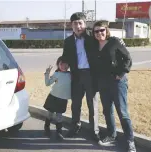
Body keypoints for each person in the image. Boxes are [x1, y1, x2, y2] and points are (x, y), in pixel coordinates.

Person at [92, 20, 136, 152]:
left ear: (106, 30)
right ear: (93, 33)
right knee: (107, 110)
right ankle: (112, 135)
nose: (99, 33)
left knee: (122, 112)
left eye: (102, 30)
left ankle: (130, 141)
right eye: (96, 31)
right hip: (102, 82)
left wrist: (121, 73)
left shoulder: (115, 42)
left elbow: (128, 58)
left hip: (117, 82)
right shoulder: (94, 45)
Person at [62, 12, 100, 141]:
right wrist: (61, 63)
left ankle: (94, 131)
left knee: (92, 104)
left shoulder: (92, 38)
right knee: (76, 104)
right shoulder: (67, 41)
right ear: (71, 25)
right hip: (76, 76)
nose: (78, 26)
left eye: (80, 23)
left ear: (85, 24)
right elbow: (65, 57)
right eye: (75, 23)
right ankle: (75, 127)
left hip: (91, 76)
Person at [43, 56, 71, 140]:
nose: (64, 66)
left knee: (59, 116)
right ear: (58, 65)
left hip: (62, 100)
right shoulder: (56, 74)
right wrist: (47, 73)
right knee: (50, 114)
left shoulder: (71, 75)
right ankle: (46, 128)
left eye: (66, 64)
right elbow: (47, 83)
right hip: (53, 97)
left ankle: (59, 132)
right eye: (61, 64)